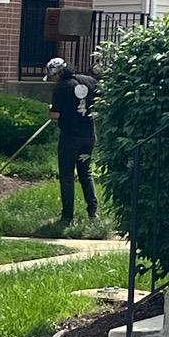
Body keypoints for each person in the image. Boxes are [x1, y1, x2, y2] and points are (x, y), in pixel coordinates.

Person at [45, 55, 98, 224]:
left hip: (69, 137)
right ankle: (93, 212)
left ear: (58, 73)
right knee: (86, 173)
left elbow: (55, 115)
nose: (53, 80)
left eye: (53, 76)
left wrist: (51, 110)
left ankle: (67, 216)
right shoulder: (89, 81)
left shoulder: (61, 88)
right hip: (89, 135)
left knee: (67, 175)